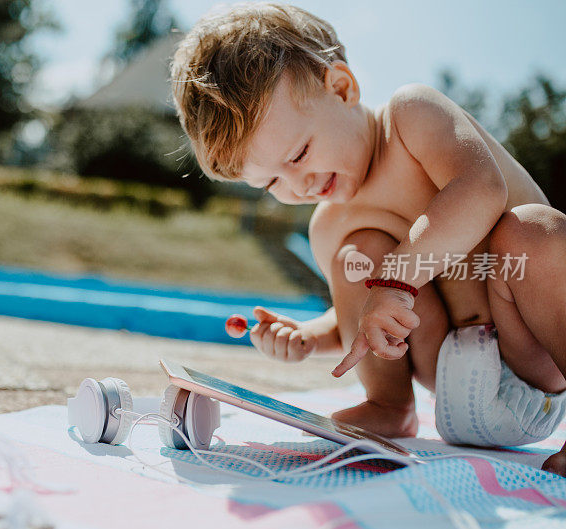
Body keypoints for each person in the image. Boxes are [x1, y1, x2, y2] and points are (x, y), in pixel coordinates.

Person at [171, 2, 566, 475]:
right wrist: (307, 337)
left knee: (532, 230)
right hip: (453, 387)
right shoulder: (331, 226)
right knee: (357, 257)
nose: (297, 187)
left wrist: (397, 279)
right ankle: (389, 405)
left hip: (533, 358)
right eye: (270, 184)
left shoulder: (409, 119)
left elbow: (481, 190)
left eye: (297, 155)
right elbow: (358, 318)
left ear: (341, 88)